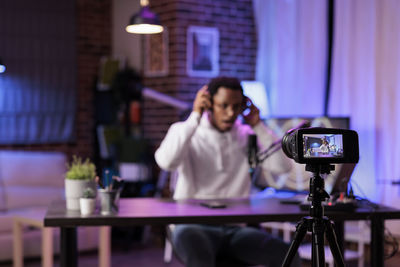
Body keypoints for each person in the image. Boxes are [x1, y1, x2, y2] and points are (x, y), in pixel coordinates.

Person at [155, 77, 300, 267]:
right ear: (208, 104)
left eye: (236, 106)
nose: (231, 113)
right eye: (223, 105)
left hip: (235, 229)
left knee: (288, 256)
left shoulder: (247, 135)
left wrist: (258, 125)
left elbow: (283, 167)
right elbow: (166, 162)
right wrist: (195, 117)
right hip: (192, 225)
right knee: (200, 259)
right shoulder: (186, 130)